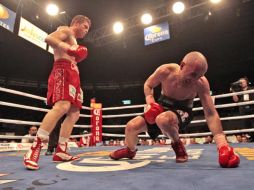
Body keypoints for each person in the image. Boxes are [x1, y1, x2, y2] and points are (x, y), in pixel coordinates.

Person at [109, 51, 240, 168]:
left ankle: (177, 144)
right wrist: (150, 102)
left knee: (163, 119)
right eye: (193, 74)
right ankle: (130, 151)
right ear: (182, 65)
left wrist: (222, 143)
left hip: (183, 111)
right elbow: (148, 84)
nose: (195, 79)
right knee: (131, 127)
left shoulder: (201, 83)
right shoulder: (166, 71)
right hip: (161, 106)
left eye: (199, 76)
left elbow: (211, 113)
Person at [23, 15, 91, 170]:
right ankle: (35, 148)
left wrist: (78, 84)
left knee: (74, 113)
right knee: (62, 107)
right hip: (62, 70)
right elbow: (49, 38)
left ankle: (61, 150)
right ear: (77, 23)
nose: (86, 31)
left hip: (73, 75)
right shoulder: (65, 30)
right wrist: (68, 48)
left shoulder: (74, 40)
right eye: (85, 27)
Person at [231, 77, 254, 141]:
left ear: (246, 82)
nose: (242, 83)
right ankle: (251, 138)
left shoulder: (252, 89)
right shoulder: (238, 91)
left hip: (252, 108)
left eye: (243, 82)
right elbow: (236, 100)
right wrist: (233, 91)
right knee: (247, 125)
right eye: (240, 82)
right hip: (243, 109)